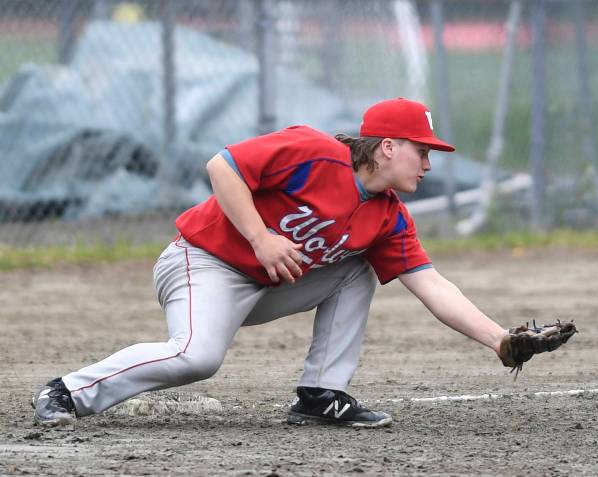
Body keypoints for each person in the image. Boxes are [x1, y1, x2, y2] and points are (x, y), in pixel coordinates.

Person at [32, 98, 567, 429]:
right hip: (203, 263)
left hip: (270, 283)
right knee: (197, 358)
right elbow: (222, 167)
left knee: (359, 266)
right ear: (385, 148)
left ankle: (321, 394)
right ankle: (68, 391)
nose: (428, 163)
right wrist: (262, 237)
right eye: (420, 151)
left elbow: (430, 284)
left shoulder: (388, 216)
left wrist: (499, 338)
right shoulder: (313, 150)